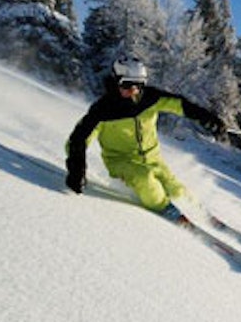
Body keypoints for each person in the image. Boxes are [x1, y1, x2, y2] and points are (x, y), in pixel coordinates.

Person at [65, 55, 224, 214]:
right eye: (127, 85)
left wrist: (207, 118)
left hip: (154, 160)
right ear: (116, 81)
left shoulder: (149, 99)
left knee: (178, 192)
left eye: (139, 85)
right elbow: (78, 139)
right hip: (121, 162)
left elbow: (180, 105)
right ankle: (165, 209)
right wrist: (76, 169)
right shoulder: (103, 110)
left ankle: (198, 213)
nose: (133, 91)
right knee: (145, 178)